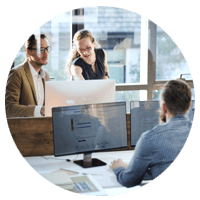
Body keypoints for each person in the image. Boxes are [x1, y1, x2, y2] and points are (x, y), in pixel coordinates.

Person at [110, 79, 192, 187]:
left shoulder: (150, 139)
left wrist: (119, 168)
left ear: (163, 107)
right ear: (189, 105)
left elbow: (128, 180)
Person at [5, 34, 50, 118]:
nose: (46, 54)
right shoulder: (16, 73)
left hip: (43, 127)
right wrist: (39, 110)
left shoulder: (45, 75)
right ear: (28, 51)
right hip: (24, 129)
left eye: (47, 49)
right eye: (41, 50)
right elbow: (9, 108)